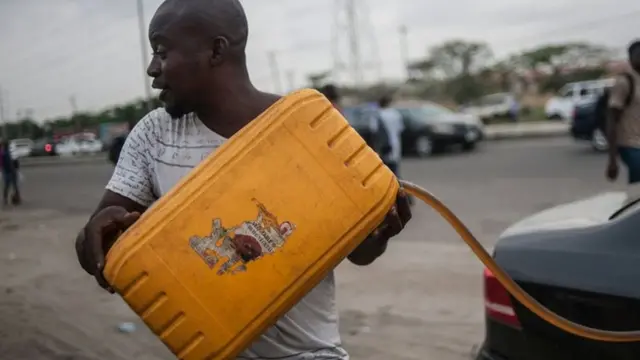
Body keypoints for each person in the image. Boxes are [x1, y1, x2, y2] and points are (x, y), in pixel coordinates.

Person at [73, 0, 412, 358]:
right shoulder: (153, 136)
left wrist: (380, 234)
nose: (152, 68)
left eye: (162, 51)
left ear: (216, 49)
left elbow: (358, 253)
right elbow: (95, 252)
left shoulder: (304, 132)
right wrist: (97, 235)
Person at [606, 40, 640, 183]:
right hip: (630, 144)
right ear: (630, 59)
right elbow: (612, 120)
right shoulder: (624, 82)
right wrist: (612, 160)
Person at [374, 94, 404, 176]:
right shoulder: (396, 114)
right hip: (396, 145)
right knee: (395, 172)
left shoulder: (378, 115)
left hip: (384, 147)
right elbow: (400, 129)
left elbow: (375, 131)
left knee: (385, 172)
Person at [0, 140, 21, 206]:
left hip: (7, 171)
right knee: (13, 185)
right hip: (9, 171)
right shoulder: (5, 153)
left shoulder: (4, 153)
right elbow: (10, 162)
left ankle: (6, 199)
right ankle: (15, 198)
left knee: (8, 185)